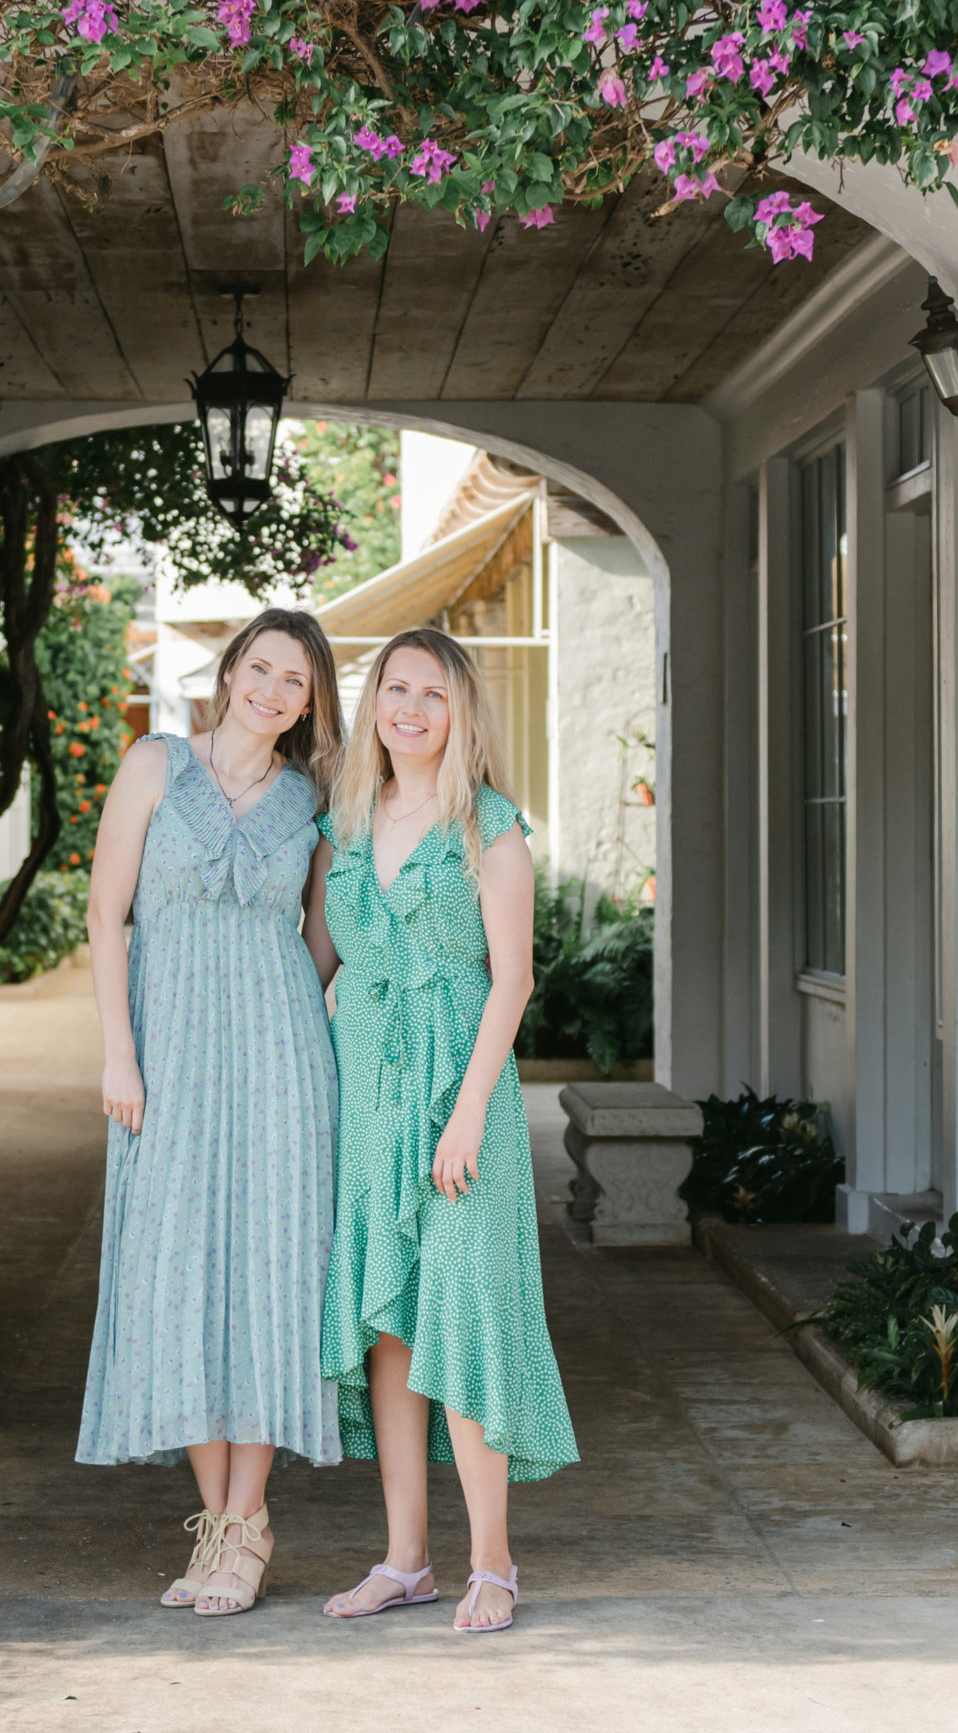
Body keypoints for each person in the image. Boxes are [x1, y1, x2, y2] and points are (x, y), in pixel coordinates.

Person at [308, 627, 578, 1636]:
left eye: (430, 692)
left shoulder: (487, 824)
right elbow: (314, 965)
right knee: (388, 1326)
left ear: (459, 711)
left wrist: (466, 1109)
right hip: (365, 1093)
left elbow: (512, 977)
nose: (408, 708)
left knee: (463, 1311)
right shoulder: (344, 819)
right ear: (373, 701)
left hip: (462, 1094)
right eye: (393, 688)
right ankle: (405, 1559)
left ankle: (493, 1562)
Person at [76, 607, 344, 1616]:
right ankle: (224, 1521)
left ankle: (243, 1525)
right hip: (165, 1056)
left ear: (310, 703)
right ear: (230, 671)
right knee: (173, 1270)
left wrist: (278, 1024)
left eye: (296, 683)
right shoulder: (153, 764)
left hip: (279, 1062)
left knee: (269, 1274)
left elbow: (320, 942)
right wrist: (119, 1050)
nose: (272, 692)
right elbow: (107, 913)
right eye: (261, 670)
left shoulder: (312, 798)